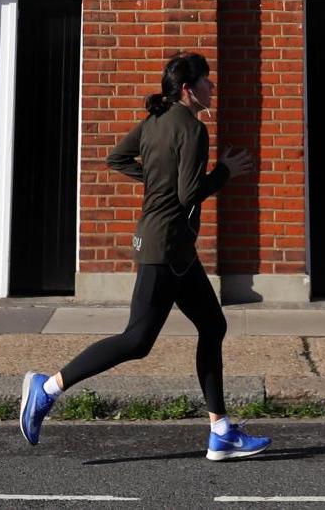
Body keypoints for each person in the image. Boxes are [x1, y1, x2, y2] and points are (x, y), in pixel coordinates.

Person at [19, 51, 268, 461]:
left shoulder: (156, 120)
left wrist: (155, 181)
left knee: (212, 324)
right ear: (189, 89)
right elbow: (189, 194)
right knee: (137, 339)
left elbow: (116, 157)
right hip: (165, 249)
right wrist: (223, 172)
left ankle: (220, 430)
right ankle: (46, 389)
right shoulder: (191, 127)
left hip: (173, 249)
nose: (212, 87)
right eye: (207, 81)